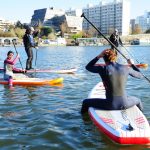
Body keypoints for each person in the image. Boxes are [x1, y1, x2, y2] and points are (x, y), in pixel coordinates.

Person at [81, 49, 143, 114]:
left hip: (110, 105)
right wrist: (132, 64)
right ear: (115, 57)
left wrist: (98, 56)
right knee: (138, 100)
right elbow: (141, 75)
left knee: (85, 102)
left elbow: (88, 67)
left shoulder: (103, 68)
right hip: (125, 104)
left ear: (103, 58)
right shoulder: (126, 68)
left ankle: (84, 120)